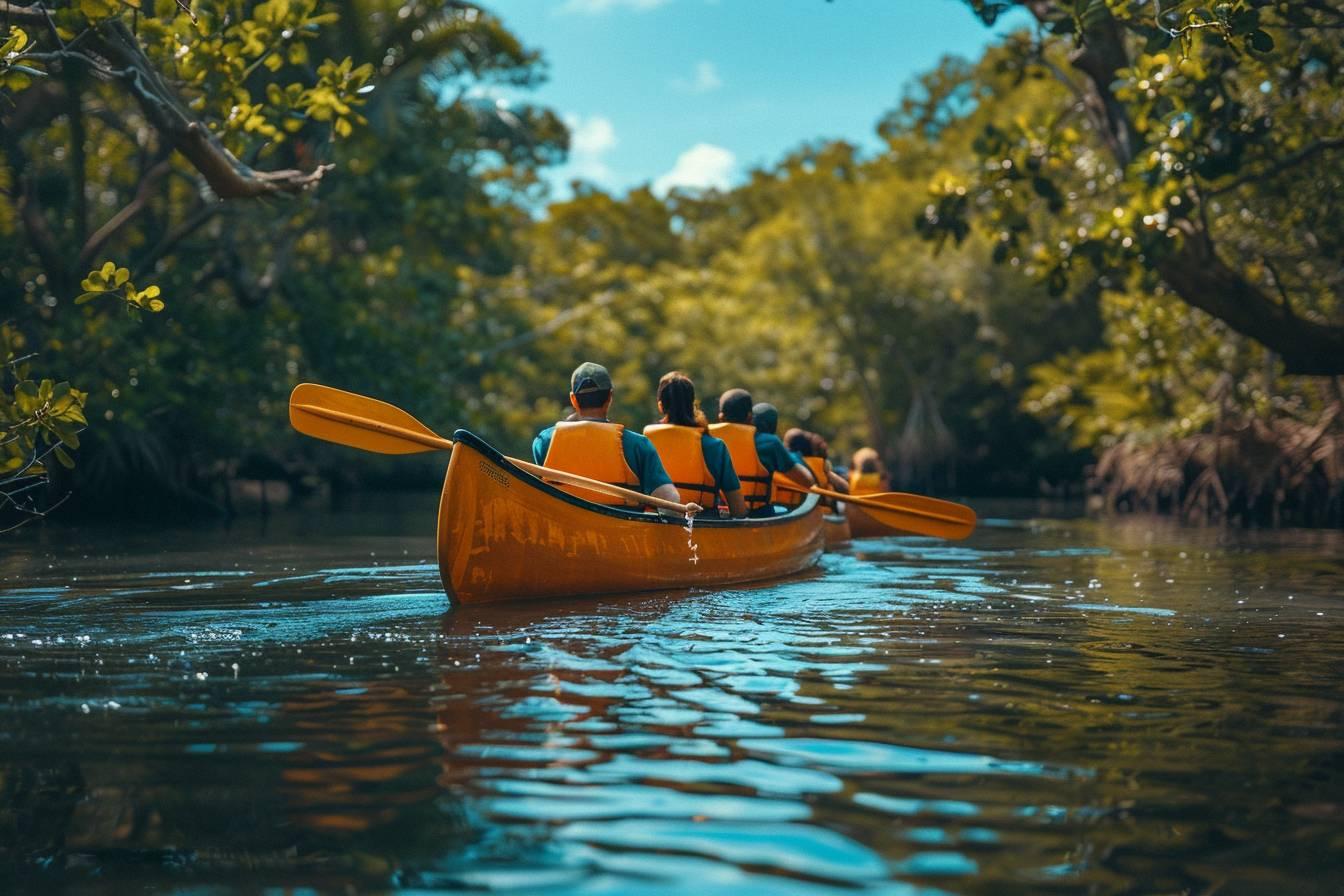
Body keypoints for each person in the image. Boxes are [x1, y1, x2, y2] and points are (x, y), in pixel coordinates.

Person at [532, 362, 691, 511]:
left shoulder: (544, 441)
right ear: (609, 397)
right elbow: (671, 500)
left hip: (561, 534)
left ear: (573, 399)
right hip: (622, 536)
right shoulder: (637, 445)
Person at [643, 372, 748, 518]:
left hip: (652, 525)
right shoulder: (715, 446)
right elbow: (738, 510)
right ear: (693, 404)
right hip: (702, 525)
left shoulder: (644, 442)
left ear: (660, 405)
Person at [709, 388, 814, 515]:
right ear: (749, 416)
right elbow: (807, 481)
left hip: (715, 513)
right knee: (783, 511)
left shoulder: (707, 439)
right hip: (758, 515)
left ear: (721, 416)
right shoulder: (769, 443)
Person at [783, 428, 851, 494]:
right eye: (819, 445)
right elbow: (845, 489)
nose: (825, 445)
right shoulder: (819, 466)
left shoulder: (782, 462)